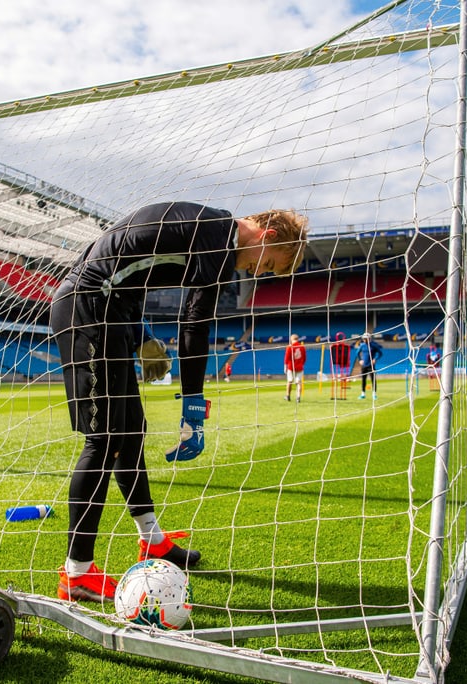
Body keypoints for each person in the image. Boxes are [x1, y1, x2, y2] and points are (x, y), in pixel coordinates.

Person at [50, 201, 309, 603]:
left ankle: (152, 540)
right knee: (103, 440)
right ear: (268, 236)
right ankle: (77, 573)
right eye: (270, 265)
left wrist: (142, 334)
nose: (258, 274)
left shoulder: (210, 231)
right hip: (88, 310)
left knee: (131, 433)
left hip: (111, 310)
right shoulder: (218, 237)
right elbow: (194, 321)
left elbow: (123, 258)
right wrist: (192, 405)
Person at [355, 332, 383, 399]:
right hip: (364, 365)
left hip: (371, 365)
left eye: (366, 339)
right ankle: (363, 394)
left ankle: (374, 394)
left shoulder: (374, 345)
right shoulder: (362, 345)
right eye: (364, 339)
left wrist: (375, 359)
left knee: (373, 380)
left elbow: (380, 353)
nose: (365, 340)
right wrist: (360, 360)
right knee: (363, 379)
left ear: (369, 338)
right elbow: (357, 353)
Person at [329, 332, 351, 400]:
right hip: (338, 361)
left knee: (342, 373)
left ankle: (344, 380)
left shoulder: (345, 347)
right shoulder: (334, 347)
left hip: (342, 361)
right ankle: (341, 379)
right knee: (338, 374)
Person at [284, 334, 306, 402]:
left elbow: (286, 358)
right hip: (299, 367)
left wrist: (285, 366)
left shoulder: (290, 347)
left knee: (289, 381)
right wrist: (302, 364)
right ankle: (298, 397)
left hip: (291, 367)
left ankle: (288, 396)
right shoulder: (302, 347)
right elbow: (304, 358)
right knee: (298, 382)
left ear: (291, 339)